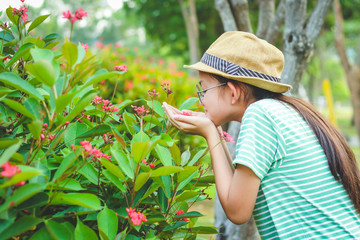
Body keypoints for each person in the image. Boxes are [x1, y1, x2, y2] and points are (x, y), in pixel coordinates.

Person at [162, 31, 360, 239]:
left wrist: (210, 133)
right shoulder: (280, 111)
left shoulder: (261, 115)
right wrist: (214, 132)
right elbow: (237, 192)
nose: (201, 100)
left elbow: (237, 211)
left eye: (203, 90)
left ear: (232, 91)